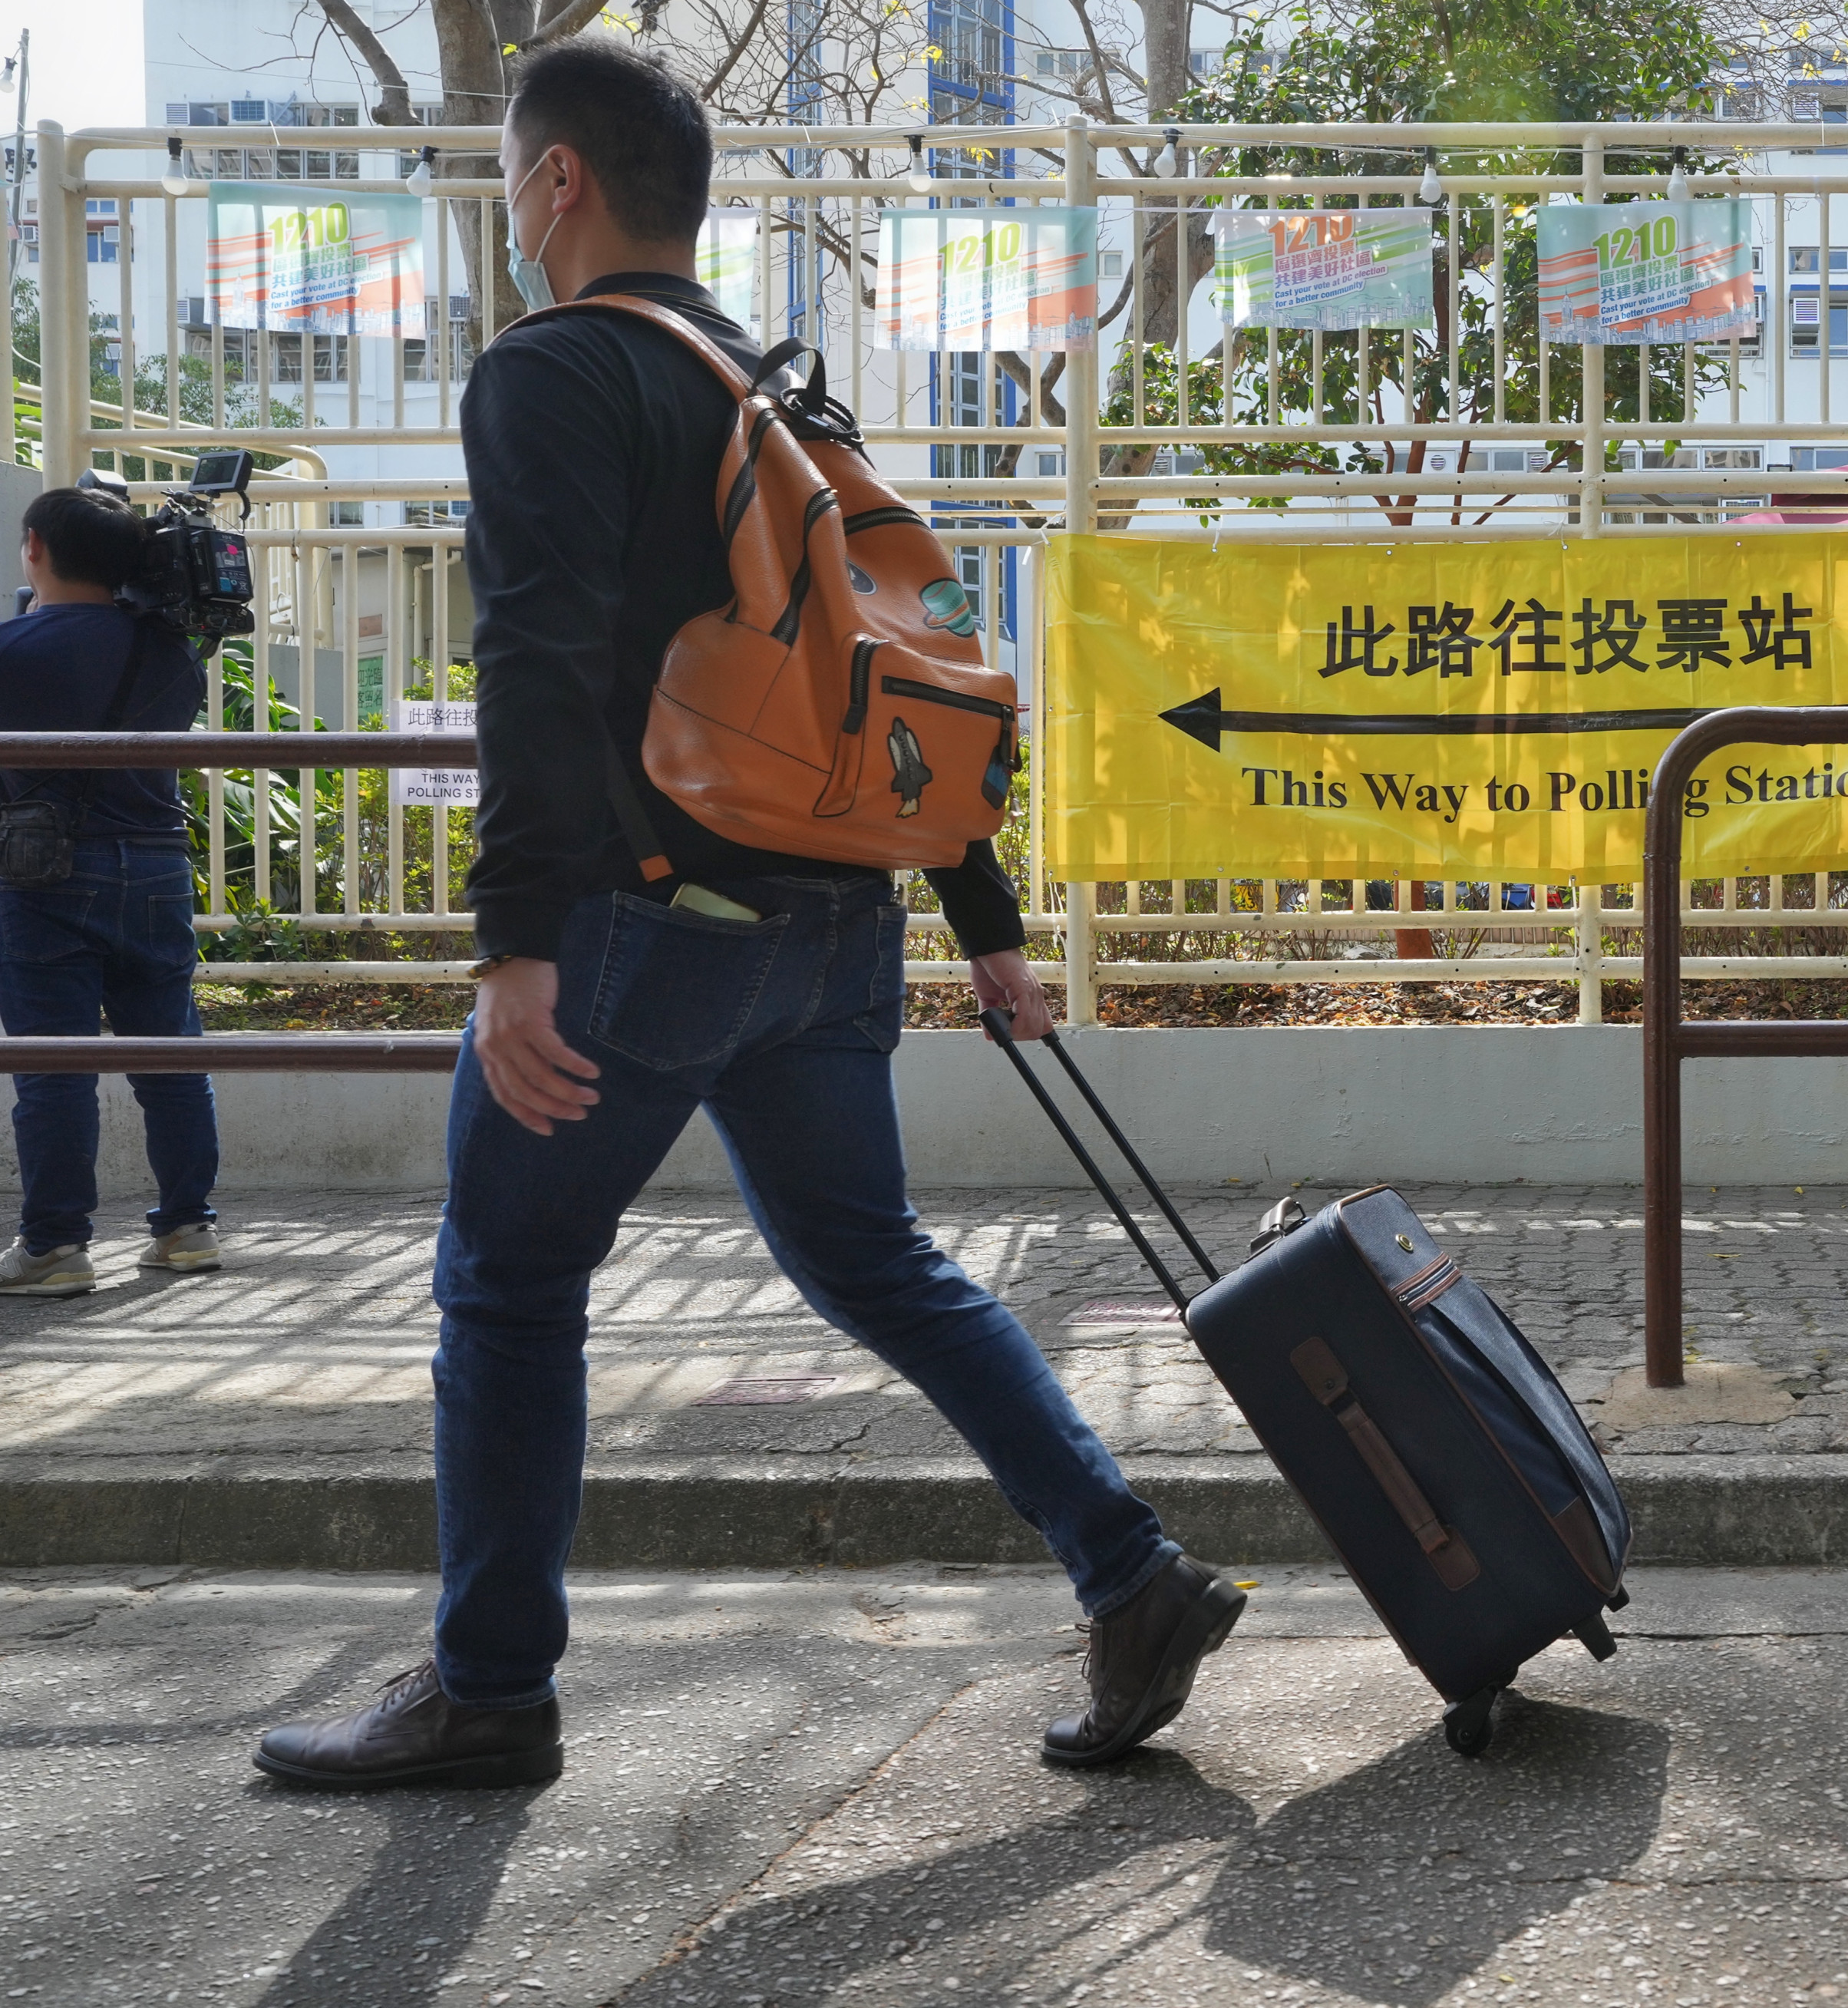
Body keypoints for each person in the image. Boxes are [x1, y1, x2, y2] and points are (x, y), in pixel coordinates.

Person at [254, 39, 1241, 1791]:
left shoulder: (554, 372)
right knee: (876, 1257)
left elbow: (536, 664)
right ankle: (1129, 1567)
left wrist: (513, 947)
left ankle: (489, 1684)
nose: (507, 207)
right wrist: (984, 917)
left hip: (647, 922)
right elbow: (916, 666)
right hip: (839, 926)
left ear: (558, 184)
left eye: (509, 175)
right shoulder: (793, 395)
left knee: (505, 1279)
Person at [0, 484, 221, 1296]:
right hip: (157, 865)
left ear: (34, 547)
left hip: (43, 874)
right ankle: (187, 1229)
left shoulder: (12, 650)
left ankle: (57, 1247)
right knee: (170, 1056)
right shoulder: (171, 653)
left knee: (54, 1067)